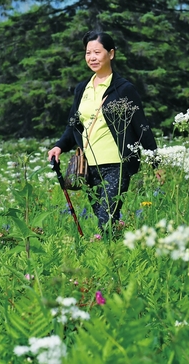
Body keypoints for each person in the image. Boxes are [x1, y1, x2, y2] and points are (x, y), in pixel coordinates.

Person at [48, 31, 157, 232]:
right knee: (103, 217)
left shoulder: (123, 89)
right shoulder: (83, 88)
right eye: (88, 53)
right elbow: (73, 124)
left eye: (97, 52)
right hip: (88, 166)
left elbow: (141, 125)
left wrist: (155, 160)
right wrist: (59, 147)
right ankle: (115, 251)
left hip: (118, 163)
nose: (92, 57)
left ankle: (109, 249)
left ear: (111, 54)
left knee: (106, 215)